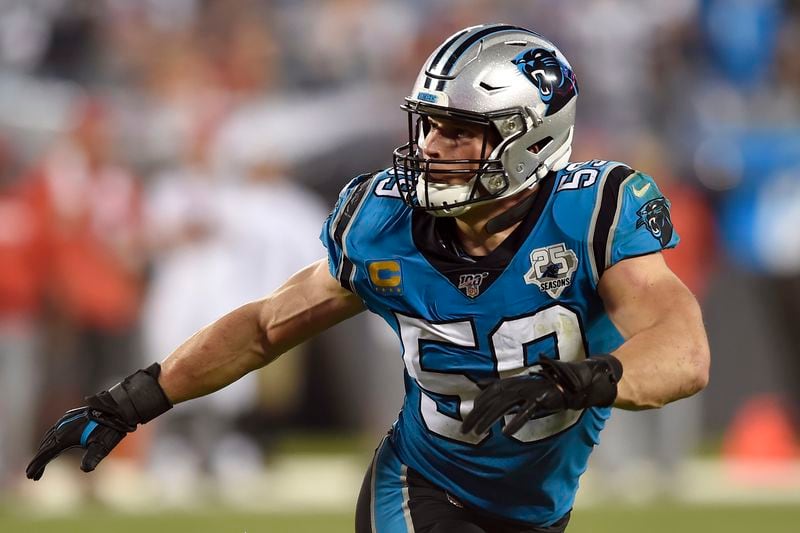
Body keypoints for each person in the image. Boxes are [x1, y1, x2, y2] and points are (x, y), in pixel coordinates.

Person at [26, 24, 710, 533]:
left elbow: (683, 349)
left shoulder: (592, 211)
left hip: (537, 508)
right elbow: (267, 326)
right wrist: (133, 399)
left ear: (528, 138)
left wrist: (579, 379)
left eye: (456, 131)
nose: (429, 148)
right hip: (421, 487)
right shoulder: (381, 220)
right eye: (428, 126)